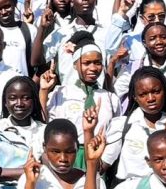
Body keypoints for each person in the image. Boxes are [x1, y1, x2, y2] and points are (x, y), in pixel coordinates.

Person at [41, 39, 120, 168]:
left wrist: (104, 162)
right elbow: (45, 122)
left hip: (98, 158)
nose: (93, 68)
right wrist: (44, 91)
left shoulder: (110, 98)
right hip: (67, 157)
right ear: (75, 65)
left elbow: (115, 134)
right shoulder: (61, 93)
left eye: (97, 63)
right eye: (86, 63)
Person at [102, 68, 166, 181]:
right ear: (135, 97)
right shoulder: (123, 125)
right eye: (143, 94)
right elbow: (102, 167)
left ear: (164, 92)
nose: (150, 98)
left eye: (156, 92)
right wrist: (89, 132)